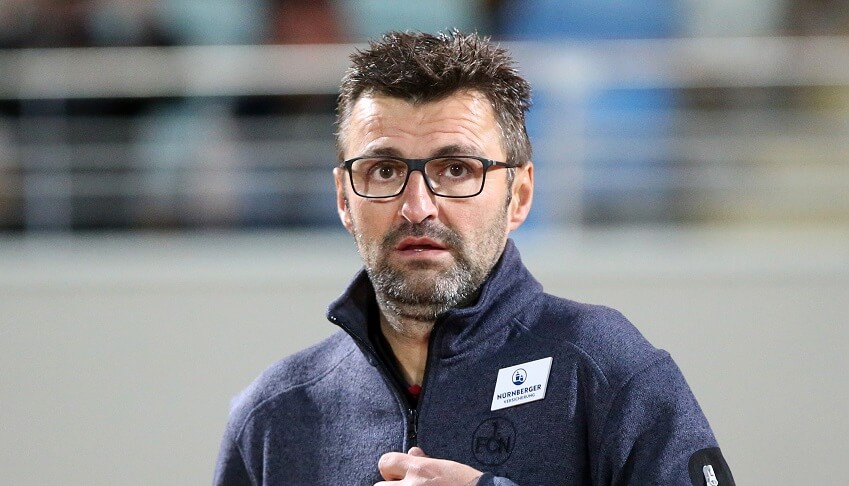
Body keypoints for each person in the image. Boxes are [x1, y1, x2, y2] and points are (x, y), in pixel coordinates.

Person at [213, 31, 735, 485]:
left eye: (457, 169)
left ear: (520, 195)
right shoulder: (272, 417)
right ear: (344, 199)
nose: (417, 207)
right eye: (384, 171)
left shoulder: (606, 367)